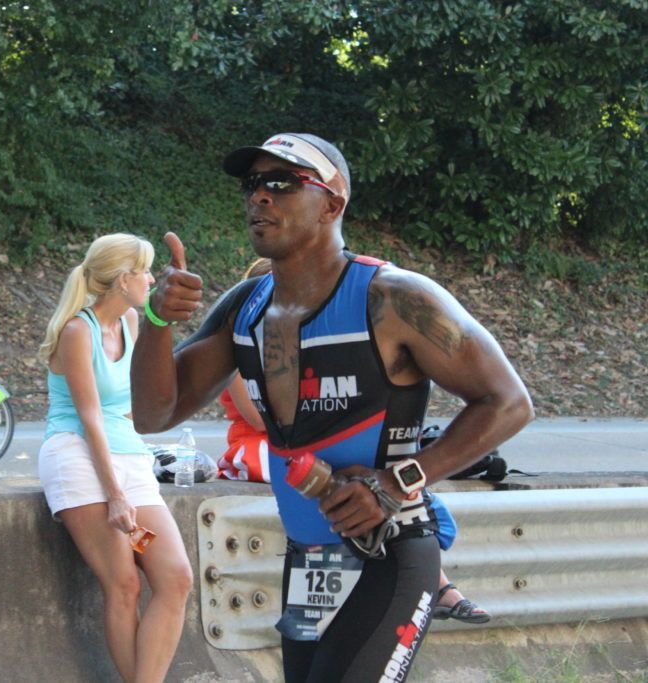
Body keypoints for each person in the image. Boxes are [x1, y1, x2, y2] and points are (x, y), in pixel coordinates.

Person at [130, 132, 532, 680]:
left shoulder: (393, 298)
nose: (259, 197)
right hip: (309, 562)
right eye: (253, 184)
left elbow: (508, 403)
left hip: (388, 553)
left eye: (282, 183)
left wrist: (396, 483)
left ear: (332, 204)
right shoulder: (243, 308)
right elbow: (156, 414)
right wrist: (155, 322)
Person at [217, 258, 492, 627]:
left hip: (317, 456)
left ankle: (432, 576)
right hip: (262, 448)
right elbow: (260, 418)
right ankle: (438, 584)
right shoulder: (242, 341)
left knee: (379, 486)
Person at [37, 233, 193, 683]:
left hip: (128, 457)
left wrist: (175, 279)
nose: (149, 279)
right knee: (124, 584)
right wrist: (116, 497)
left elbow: (164, 324)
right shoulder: (76, 332)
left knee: (176, 577)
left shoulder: (131, 320)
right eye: (143, 271)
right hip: (79, 459)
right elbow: (90, 419)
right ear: (122, 279)